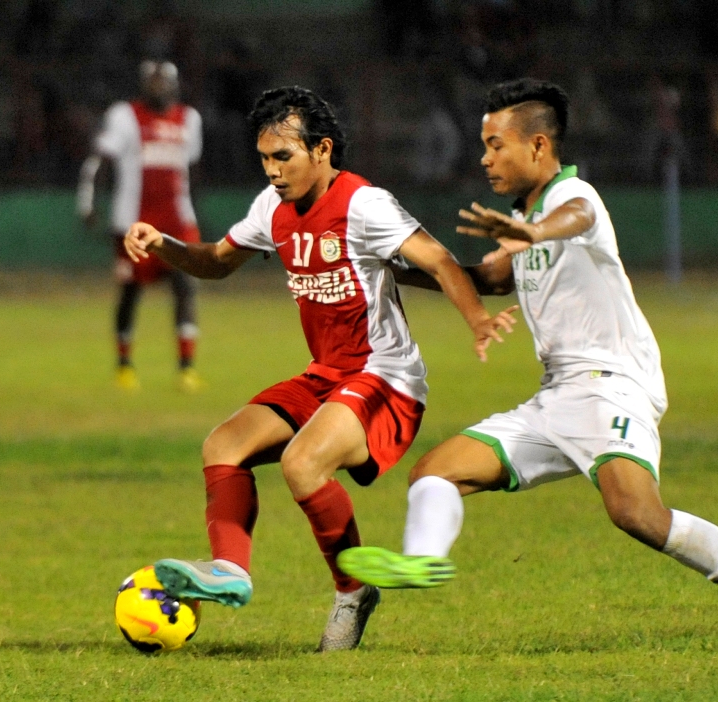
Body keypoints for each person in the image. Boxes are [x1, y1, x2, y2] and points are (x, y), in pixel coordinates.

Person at [338, 78, 718, 659]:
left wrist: (532, 231)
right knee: (436, 473)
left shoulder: (576, 198)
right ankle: (422, 560)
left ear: (539, 147)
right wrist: (395, 266)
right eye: (485, 145)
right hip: (557, 396)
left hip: (613, 384)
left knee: (637, 514)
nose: (485, 158)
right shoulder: (524, 216)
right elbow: (490, 279)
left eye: (497, 145)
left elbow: (570, 219)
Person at [122, 86, 515, 651]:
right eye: (264, 159)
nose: (273, 172)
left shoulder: (364, 204)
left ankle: (353, 592)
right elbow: (214, 263)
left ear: (322, 149)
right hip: (327, 373)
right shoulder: (272, 208)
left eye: (283, 157)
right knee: (223, 445)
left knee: (303, 463)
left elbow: (436, 258)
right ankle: (231, 568)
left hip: (387, 378)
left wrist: (477, 318)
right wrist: (162, 243)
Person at [78, 60, 205, 392]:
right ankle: (124, 365)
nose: (158, 87)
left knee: (186, 287)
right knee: (131, 292)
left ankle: (186, 367)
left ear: (176, 85)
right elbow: (99, 160)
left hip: (178, 223)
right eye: (152, 81)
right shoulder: (124, 116)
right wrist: (88, 201)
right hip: (133, 224)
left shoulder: (190, 119)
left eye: (164, 81)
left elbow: (189, 168)